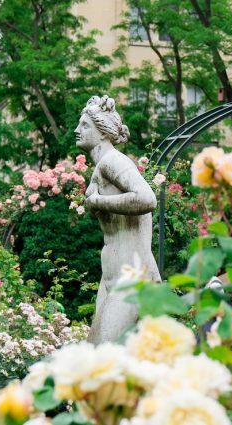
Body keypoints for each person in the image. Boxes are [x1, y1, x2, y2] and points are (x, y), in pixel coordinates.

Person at [75, 95, 160, 344]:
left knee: (104, 357)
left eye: (84, 126)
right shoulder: (100, 167)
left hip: (132, 276)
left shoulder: (113, 161)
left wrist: (98, 202)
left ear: (103, 133)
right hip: (111, 277)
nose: (76, 130)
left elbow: (147, 199)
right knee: (97, 359)